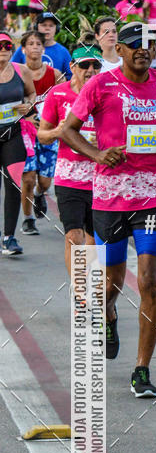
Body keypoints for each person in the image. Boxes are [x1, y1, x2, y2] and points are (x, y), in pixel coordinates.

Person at [62, 21, 156, 397]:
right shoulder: (100, 85)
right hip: (111, 196)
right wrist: (98, 154)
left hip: (155, 194)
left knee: (150, 279)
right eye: (134, 44)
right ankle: (108, 313)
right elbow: (69, 129)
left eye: (148, 44)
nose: (142, 49)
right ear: (118, 50)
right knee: (113, 280)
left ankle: (142, 369)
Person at [38, 45, 101, 275]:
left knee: (95, 240)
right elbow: (42, 135)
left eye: (96, 65)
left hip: (102, 178)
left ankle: (94, 287)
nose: (90, 70)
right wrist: (60, 131)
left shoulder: (108, 94)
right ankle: (79, 289)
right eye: (84, 65)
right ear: (73, 67)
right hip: (69, 178)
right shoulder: (58, 94)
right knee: (74, 237)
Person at [19, 29, 64, 234]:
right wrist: (27, 118)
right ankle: (28, 219)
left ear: (44, 49)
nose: (35, 47)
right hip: (25, 132)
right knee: (28, 178)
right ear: (23, 49)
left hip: (49, 132)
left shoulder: (54, 75)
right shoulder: (17, 73)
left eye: (38, 44)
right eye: (31, 44)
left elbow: (64, 100)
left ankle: (39, 194)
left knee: (45, 182)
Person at [0, 31, 36, 255]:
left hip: (13, 134)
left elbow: (32, 94)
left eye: (7, 45)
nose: (4, 49)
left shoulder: (21, 70)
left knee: (13, 185)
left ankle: (9, 238)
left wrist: (28, 105)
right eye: (0, 45)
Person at [12, 12, 72, 78]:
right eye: (44, 25)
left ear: (56, 29)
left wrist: (60, 80)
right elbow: (11, 69)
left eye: (51, 26)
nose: (47, 28)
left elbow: (70, 75)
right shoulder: (25, 48)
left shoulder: (63, 52)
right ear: (36, 27)